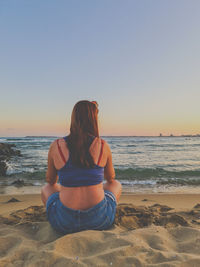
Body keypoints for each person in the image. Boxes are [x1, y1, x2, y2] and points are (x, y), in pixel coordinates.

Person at [41, 100, 122, 234]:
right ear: (94, 120)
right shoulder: (102, 145)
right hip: (100, 221)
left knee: (47, 188)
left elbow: (50, 181)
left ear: (73, 118)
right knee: (115, 184)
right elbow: (111, 178)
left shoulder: (56, 146)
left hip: (64, 223)